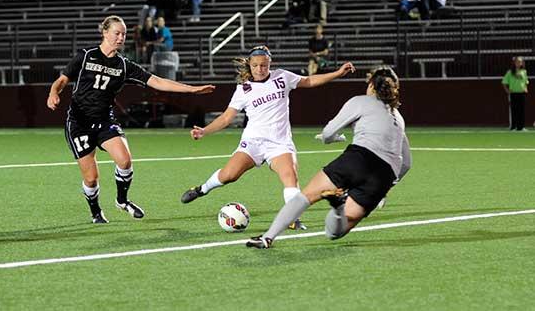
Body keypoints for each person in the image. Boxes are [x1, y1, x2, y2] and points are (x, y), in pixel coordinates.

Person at [46, 15, 215, 223]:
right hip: (79, 123)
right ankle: (96, 212)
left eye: (124, 34)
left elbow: (157, 81)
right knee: (91, 179)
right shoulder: (85, 56)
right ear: (105, 32)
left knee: (125, 160)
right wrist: (54, 93)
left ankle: (122, 200)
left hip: (104, 120)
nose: (121, 37)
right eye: (117, 33)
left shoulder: (124, 65)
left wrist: (192, 90)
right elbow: (61, 80)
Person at [180, 46, 355, 231]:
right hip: (253, 142)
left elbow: (309, 80)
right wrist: (204, 131)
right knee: (228, 175)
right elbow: (226, 118)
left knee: (290, 176)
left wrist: (337, 73)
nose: (260, 69)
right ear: (250, 65)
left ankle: (293, 218)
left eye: (264, 65)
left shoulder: (282, 77)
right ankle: (202, 189)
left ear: (269, 64)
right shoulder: (243, 90)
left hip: (279, 143)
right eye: (255, 65)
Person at [246, 66, 412, 249]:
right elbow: (406, 164)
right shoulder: (399, 119)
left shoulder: (361, 101)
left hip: (359, 158)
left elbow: (328, 133)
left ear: (371, 84)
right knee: (335, 232)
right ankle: (338, 207)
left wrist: (334, 138)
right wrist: (386, 186)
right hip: (383, 176)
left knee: (305, 197)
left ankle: (267, 238)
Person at [502, 57, 529, 131]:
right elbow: (504, 82)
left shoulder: (524, 71)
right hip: (513, 93)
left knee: (521, 110)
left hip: (521, 93)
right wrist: (507, 90)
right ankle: (513, 126)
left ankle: (521, 127)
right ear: (514, 63)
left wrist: (525, 88)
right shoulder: (510, 72)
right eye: (517, 62)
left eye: (520, 62)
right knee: (514, 110)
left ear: (522, 63)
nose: (518, 63)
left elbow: (526, 81)